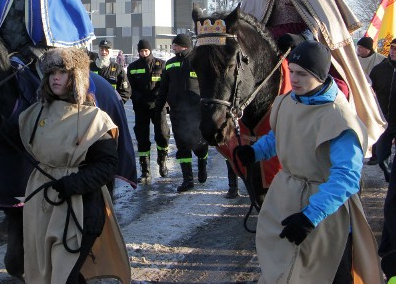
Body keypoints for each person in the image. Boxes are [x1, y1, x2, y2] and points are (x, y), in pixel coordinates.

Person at [234, 41, 382, 283]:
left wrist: (309, 216)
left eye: (302, 74)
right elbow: (279, 134)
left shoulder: (340, 119)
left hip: (326, 210)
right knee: (285, 270)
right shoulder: (286, 102)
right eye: (291, 71)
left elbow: (346, 178)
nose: (294, 79)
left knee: (328, 272)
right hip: (286, 196)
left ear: (320, 75)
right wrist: (256, 152)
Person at [241, 0, 385, 142]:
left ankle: (341, 135)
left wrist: (306, 36)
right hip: (271, 49)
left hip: (312, 47)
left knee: (339, 88)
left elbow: (329, 22)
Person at [19, 47, 130, 284]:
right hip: (41, 206)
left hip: (81, 208)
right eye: (51, 73)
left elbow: (107, 166)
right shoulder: (35, 113)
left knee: (63, 275)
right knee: (43, 273)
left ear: (76, 77)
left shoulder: (95, 119)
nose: (55, 78)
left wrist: (71, 184)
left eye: (62, 72)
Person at [154, 34, 210, 193]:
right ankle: (188, 180)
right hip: (177, 112)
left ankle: (202, 166)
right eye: (173, 45)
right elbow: (163, 88)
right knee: (182, 145)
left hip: (196, 111)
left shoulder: (197, 62)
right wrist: (158, 108)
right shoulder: (170, 64)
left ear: (184, 46)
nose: (173, 48)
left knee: (199, 143)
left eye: (176, 45)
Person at [127, 39, 170, 183]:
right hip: (141, 107)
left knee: (162, 134)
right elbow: (130, 87)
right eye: (141, 51)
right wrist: (140, 99)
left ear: (150, 50)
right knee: (142, 138)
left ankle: (162, 161)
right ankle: (145, 171)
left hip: (158, 106)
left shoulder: (161, 64)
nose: (144, 53)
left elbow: (164, 84)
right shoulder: (132, 67)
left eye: (146, 51)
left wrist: (157, 99)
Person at [369, 38, 396, 182]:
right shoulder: (379, 69)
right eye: (392, 47)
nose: (393, 51)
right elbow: (369, 93)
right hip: (384, 121)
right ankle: (390, 178)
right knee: (380, 156)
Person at [90, 39, 131, 103]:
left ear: (110, 51)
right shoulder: (91, 67)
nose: (104, 52)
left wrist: (118, 103)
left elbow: (125, 91)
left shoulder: (118, 68)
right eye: (102, 49)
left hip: (111, 105)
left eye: (106, 50)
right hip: (94, 106)